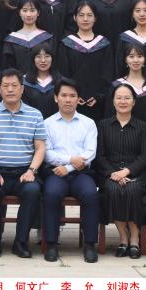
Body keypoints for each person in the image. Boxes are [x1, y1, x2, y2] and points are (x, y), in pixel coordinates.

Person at [0, 69, 47, 258]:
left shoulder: (35, 115)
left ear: (22, 89)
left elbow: (40, 147)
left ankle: (21, 242)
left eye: (14, 85)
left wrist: (32, 171)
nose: (10, 89)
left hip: (24, 172)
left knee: (32, 191)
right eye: (5, 86)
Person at [41, 78, 100, 263]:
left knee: (91, 194)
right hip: (56, 172)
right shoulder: (47, 123)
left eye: (72, 96)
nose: (68, 99)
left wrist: (68, 167)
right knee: (51, 194)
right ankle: (51, 244)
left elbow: (90, 153)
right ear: (56, 98)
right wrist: (69, 161)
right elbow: (46, 153)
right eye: (64, 95)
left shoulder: (88, 123)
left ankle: (90, 244)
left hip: (81, 173)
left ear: (78, 99)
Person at [96, 84, 146, 260]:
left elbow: (145, 155)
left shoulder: (142, 126)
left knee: (133, 190)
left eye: (127, 98)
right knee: (113, 190)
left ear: (134, 102)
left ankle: (134, 238)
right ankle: (123, 237)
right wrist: (114, 174)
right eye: (119, 98)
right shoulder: (103, 125)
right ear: (113, 102)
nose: (123, 101)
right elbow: (100, 155)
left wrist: (127, 172)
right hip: (110, 174)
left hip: (136, 173)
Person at [57, 1, 114, 122]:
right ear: (75, 18)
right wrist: (73, 95)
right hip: (72, 102)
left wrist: (99, 96)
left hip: (98, 103)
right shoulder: (66, 43)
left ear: (95, 18)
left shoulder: (104, 43)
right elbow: (63, 72)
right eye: (81, 15)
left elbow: (108, 72)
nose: (85, 19)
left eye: (89, 15)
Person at [109, 45, 146, 126]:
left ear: (145, 59)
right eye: (131, 56)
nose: (136, 60)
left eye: (140, 56)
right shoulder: (116, 85)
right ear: (126, 60)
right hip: (121, 130)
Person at [3, 0, 55, 74]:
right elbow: (8, 67)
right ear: (19, 13)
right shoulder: (11, 40)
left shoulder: (47, 38)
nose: (28, 14)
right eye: (24, 10)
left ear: (38, 13)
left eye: (32, 10)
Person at [23, 42, 60, 119]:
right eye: (38, 57)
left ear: (52, 59)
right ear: (33, 60)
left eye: (47, 56)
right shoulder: (24, 82)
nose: (43, 60)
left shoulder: (61, 82)